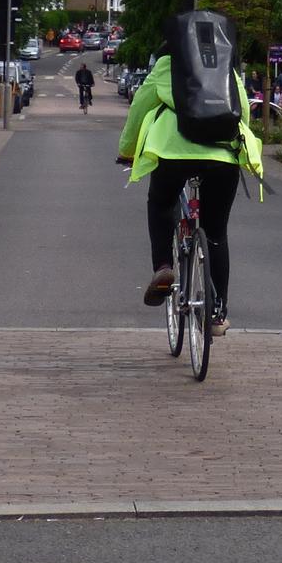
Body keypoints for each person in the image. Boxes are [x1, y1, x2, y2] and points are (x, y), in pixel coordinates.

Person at [118, 29, 264, 338]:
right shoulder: (224, 65)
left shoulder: (167, 65)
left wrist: (127, 150)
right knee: (216, 233)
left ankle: (162, 266)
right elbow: (244, 111)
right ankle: (216, 312)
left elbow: (140, 107)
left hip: (173, 153)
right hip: (223, 156)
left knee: (160, 203)